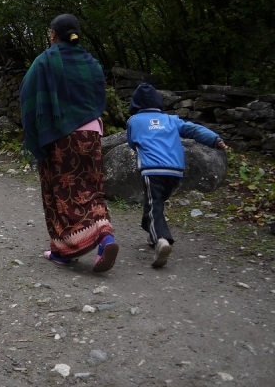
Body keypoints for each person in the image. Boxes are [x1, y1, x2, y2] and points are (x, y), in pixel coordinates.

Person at [20, 14, 118, 273]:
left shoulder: (45, 62)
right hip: (92, 133)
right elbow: (98, 97)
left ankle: (63, 251)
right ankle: (105, 237)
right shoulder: (92, 63)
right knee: (91, 187)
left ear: (53, 33)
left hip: (61, 136)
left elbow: (28, 94)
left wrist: (37, 132)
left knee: (62, 192)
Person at [126, 83, 229, 268]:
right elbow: (193, 129)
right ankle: (152, 232)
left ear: (135, 104)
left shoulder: (134, 121)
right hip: (175, 171)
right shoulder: (171, 120)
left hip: (152, 169)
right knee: (155, 203)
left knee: (153, 204)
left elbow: (132, 142)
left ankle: (162, 240)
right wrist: (215, 139)